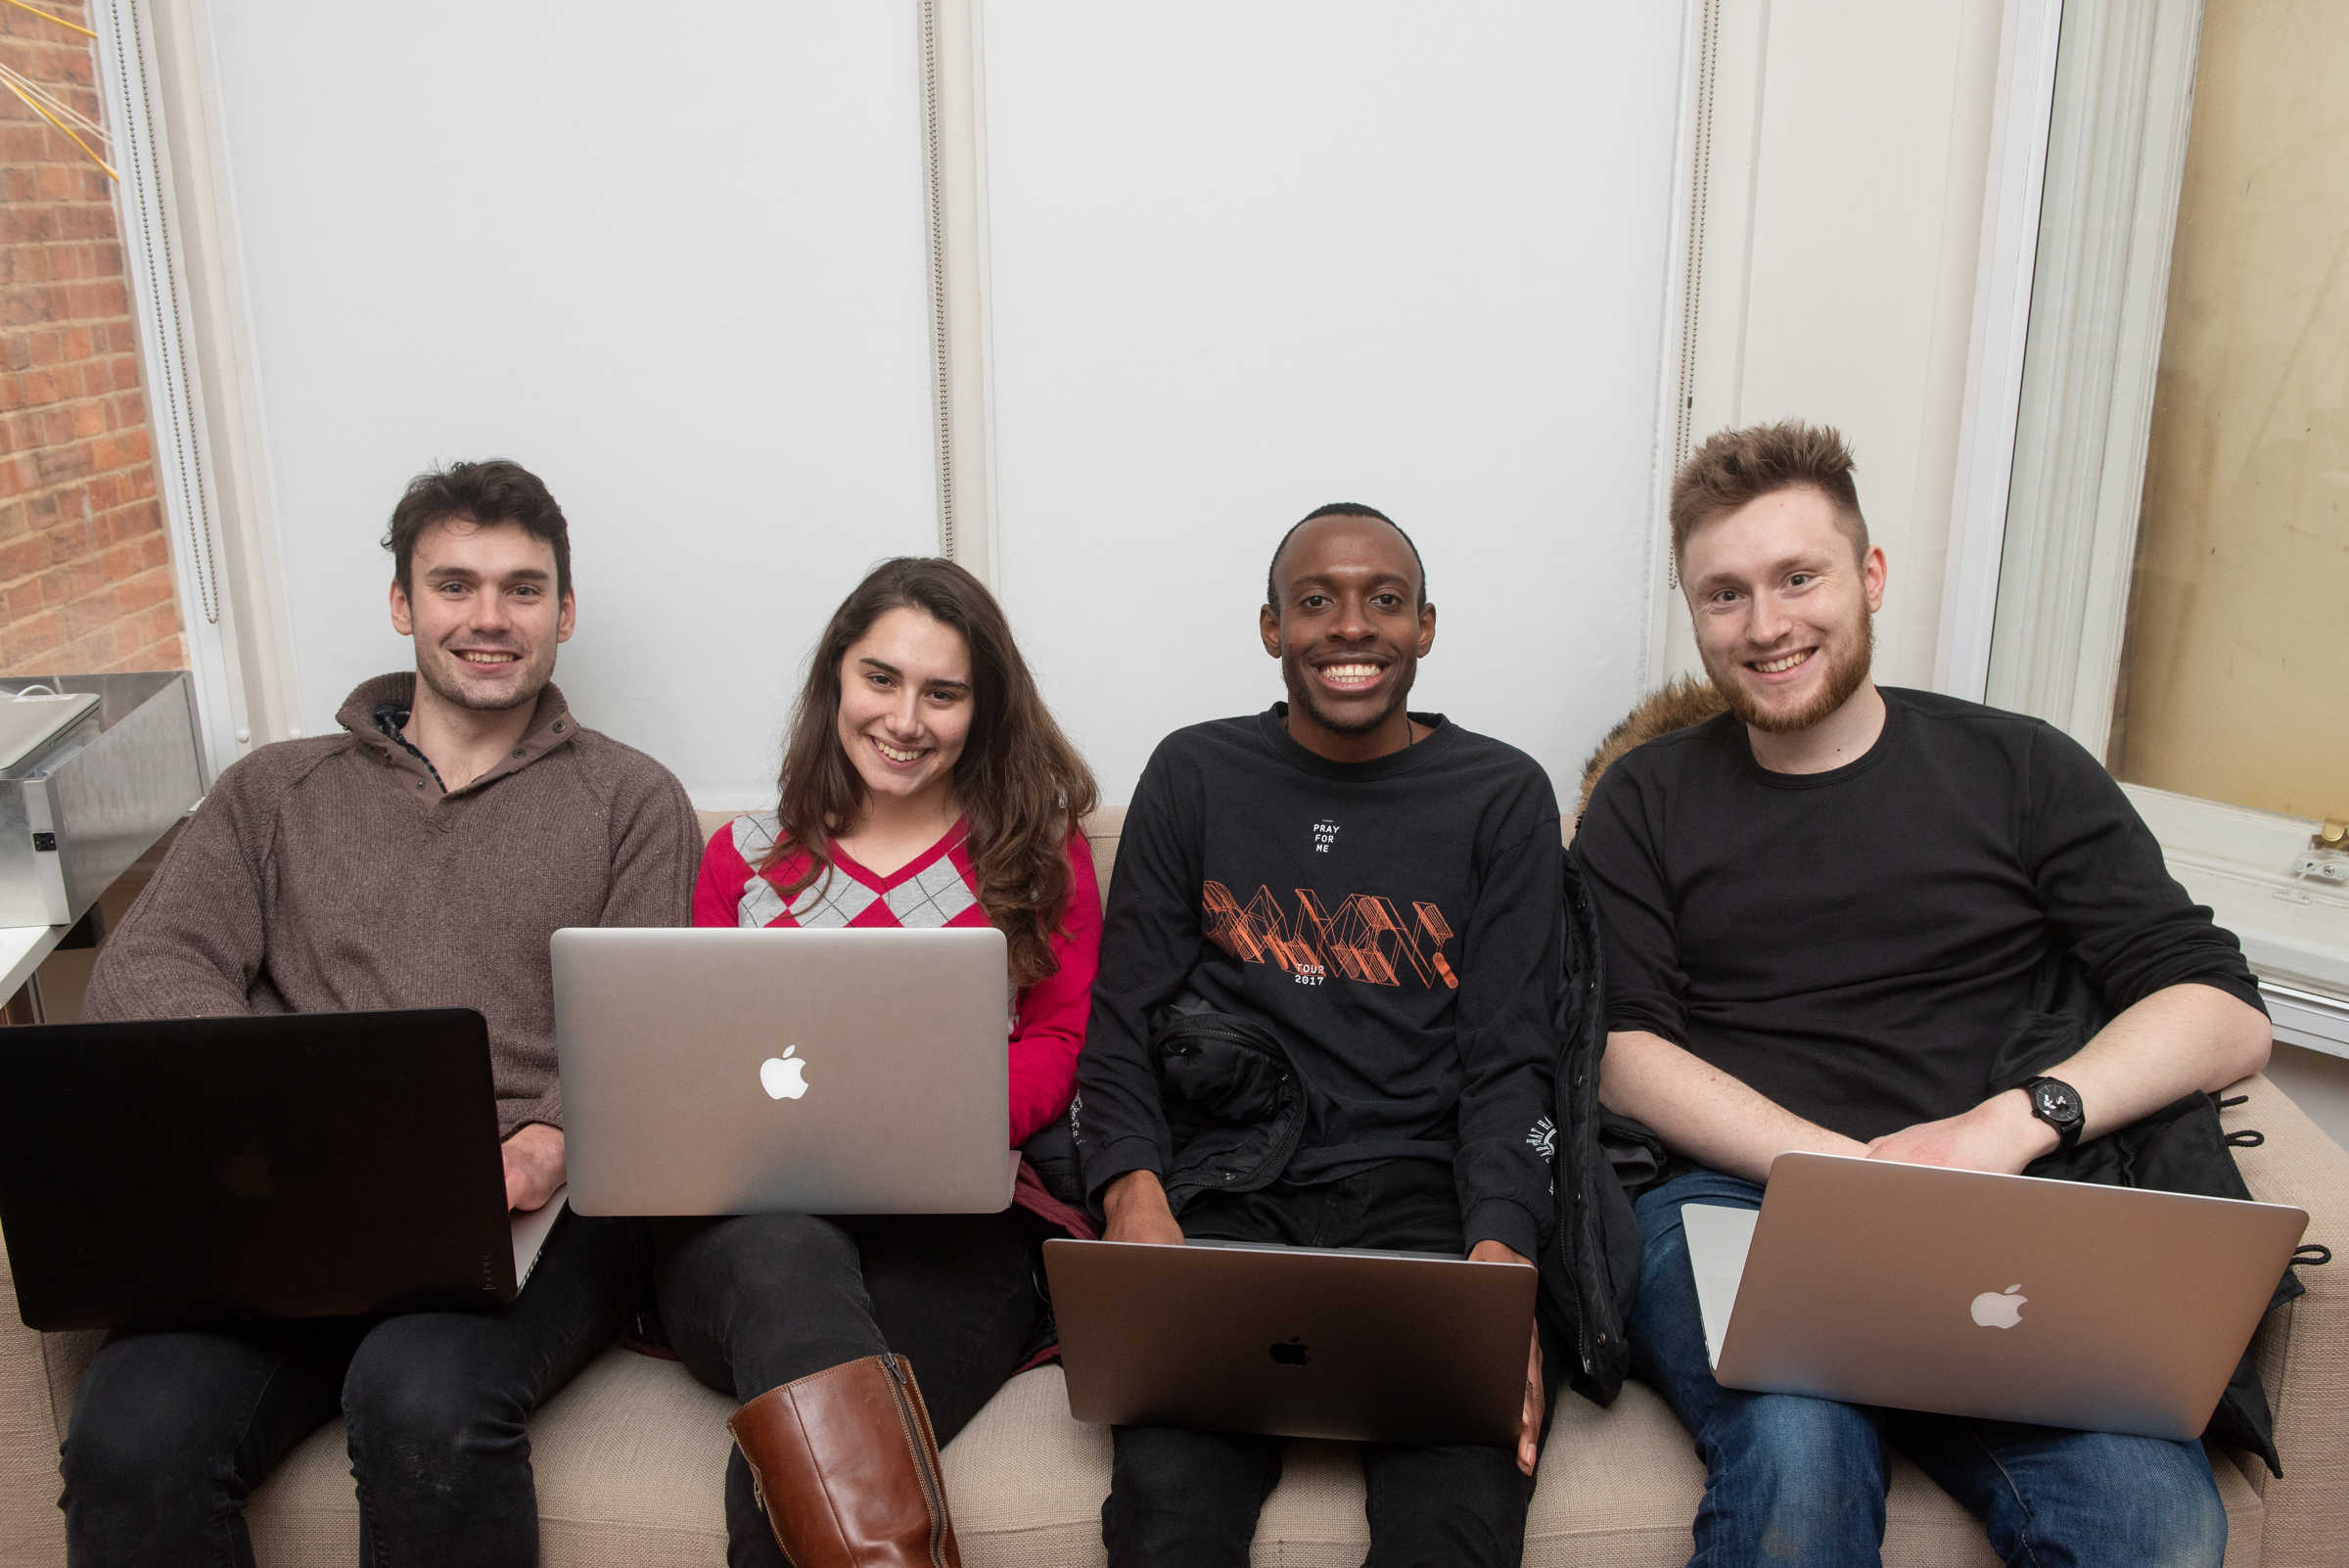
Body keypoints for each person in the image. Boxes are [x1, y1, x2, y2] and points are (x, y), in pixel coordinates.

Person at [1574, 419, 2276, 1568]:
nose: (1766, 625)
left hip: (1999, 1208)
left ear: (1871, 576)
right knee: (1799, 1460)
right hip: (1735, 1200)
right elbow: (1620, 1048)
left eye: (1798, 577)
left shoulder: (2021, 767)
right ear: (1694, 613)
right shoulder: (1645, 799)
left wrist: (2013, 1125)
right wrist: (1845, 1178)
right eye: (1725, 595)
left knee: (2155, 1520)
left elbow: (2220, 1008)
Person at [58, 458, 701, 1567]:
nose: (489, 618)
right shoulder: (273, 792)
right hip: (284, 1211)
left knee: (422, 1405)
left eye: (522, 589)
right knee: (132, 1438)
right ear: (403, 605)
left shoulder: (632, 800)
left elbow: (652, 1029)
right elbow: (146, 972)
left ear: (564, 613)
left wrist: (551, 1137)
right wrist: (293, 1115)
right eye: (454, 585)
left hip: (520, 1216)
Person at [1072, 503, 1567, 1568]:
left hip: (1426, 1207)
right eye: (1315, 602)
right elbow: (1119, 1023)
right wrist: (1133, 1198)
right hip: (1231, 1192)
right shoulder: (1194, 774)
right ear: (1271, 629)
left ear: (1425, 627)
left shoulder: (1502, 796)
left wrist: (1501, 1267)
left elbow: (1511, 1060)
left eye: (1384, 600)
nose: (1351, 626)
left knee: (1453, 1532)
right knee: (1167, 1522)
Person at [658, 556, 1102, 1568]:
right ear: (837, 680)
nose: (905, 720)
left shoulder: (1036, 853)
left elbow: (1060, 1044)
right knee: (786, 1260)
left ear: (983, 710)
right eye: (881, 679)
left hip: (957, 1229)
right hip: (756, 1233)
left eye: (943, 693)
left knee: (785, 1483)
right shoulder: (745, 859)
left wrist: (930, 1127)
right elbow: (702, 1059)